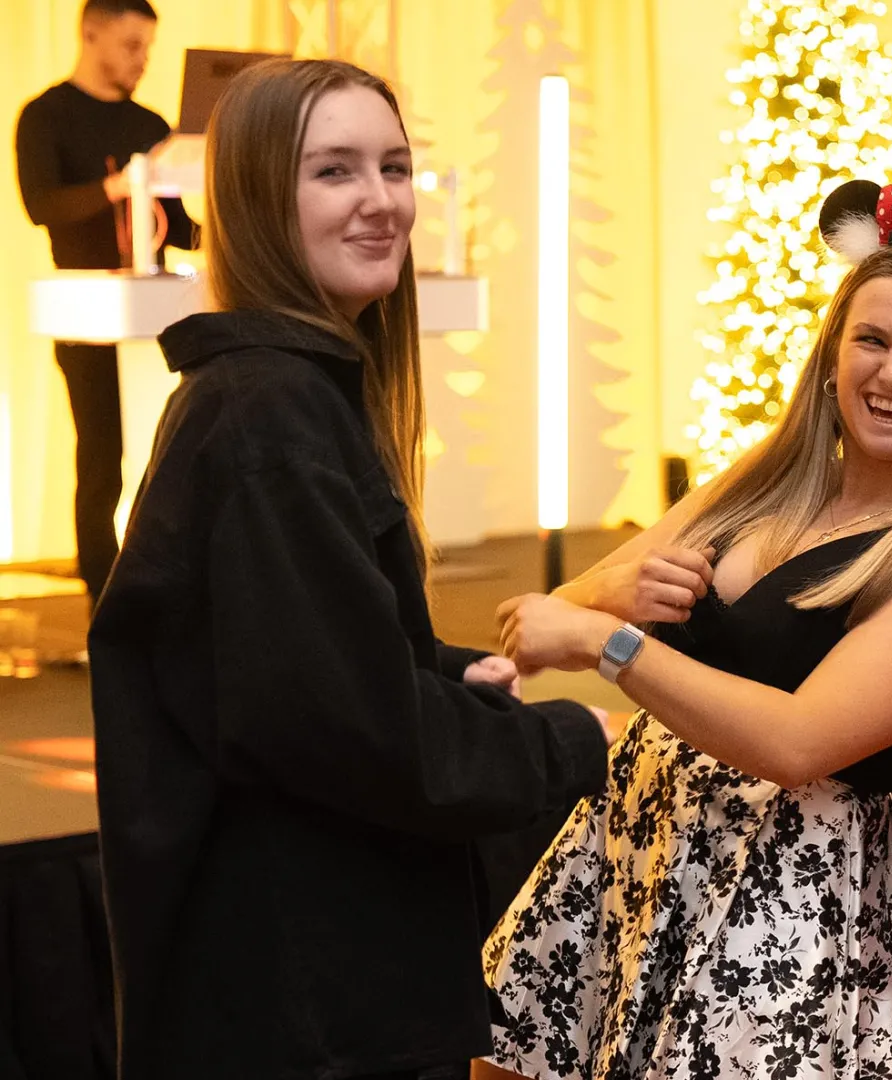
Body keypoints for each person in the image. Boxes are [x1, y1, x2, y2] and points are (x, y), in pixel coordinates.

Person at [86, 59, 616, 1080]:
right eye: (334, 171)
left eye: (394, 167)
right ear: (255, 198)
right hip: (295, 1003)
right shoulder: (268, 415)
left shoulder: (287, 396)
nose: (381, 201)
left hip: (309, 984)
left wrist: (435, 668)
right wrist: (563, 742)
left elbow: (285, 658)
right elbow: (349, 729)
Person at [479, 138, 892, 1080]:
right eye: (873, 340)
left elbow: (798, 742)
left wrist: (612, 642)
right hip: (630, 844)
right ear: (832, 353)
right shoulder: (759, 481)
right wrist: (605, 596)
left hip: (785, 897)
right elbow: (541, 624)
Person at [14, 0, 199, 606]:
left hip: (156, 308)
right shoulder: (44, 116)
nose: (142, 60)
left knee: (176, 446)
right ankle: (104, 595)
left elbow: (177, 226)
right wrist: (118, 186)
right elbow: (42, 205)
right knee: (101, 456)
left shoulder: (150, 124)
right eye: (130, 45)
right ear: (90, 34)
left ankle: (171, 581)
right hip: (83, 307)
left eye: (148, 47)